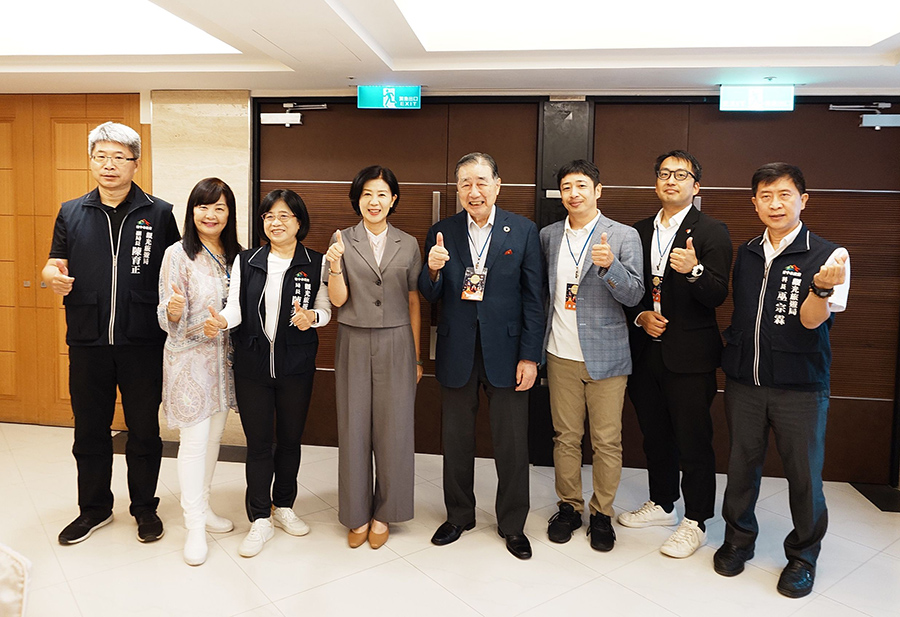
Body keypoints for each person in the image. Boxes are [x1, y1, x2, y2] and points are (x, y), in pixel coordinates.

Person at [715, 163, 850, 598]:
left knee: (804, 476)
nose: (775, 204)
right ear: (754, 203)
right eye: (766, 196)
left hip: (800, 387)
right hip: (745, 381)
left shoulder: (831, 255)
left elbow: (812, 321)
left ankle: (803, 556)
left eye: (784, 195)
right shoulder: (748, 251)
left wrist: (821, 290)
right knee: (741, 467)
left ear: (803, 200)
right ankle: (738, 540)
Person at [43, 121, 180, 546]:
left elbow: (175, 269)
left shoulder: (160, 212)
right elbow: (54, 262)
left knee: (143, 430)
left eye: (119, 157)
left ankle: (144, 508)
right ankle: (94, 508)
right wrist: (50, 277)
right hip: (88, 338)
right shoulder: (71, 212)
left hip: (142, 340)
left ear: (136, 163)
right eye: (100, 156)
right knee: (89, 429)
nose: (109, 164)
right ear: (91, 161)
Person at [419, 152, 544, 560]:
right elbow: (429, 294)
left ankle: (513, 524)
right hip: (457, 349)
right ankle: (459, 515)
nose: (474, 191)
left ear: (497, 185)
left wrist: (530, 356)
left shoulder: (522, 230)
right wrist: (432, 270)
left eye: (481, 182)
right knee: (456, 440)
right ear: (457, 190)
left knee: (512, 444)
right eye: (465, 184)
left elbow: (534, 298)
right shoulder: (442, 231)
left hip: (508, 352)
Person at [204, 189, 331, 558]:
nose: (276, 223)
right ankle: (260, 517)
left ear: (299, 222)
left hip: (296, 366)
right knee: (259, 444)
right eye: (269, 216)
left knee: (290, 441)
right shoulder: (247, 260)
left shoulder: (316, 262)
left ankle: (284, 505)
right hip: (252, 366)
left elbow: (325, 308)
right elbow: (235, 308)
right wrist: (221, 321)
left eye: (284, 216)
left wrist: (312, 318)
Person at [620, 150, 732, 558]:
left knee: (694, 439)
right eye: (665, 173)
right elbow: (629, 288)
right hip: (645, 351)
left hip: (691, 356)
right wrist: (640, 316)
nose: (671, 180)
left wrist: (694, 270)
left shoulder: (712, 231)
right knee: (655, 434)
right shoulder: (637, 231)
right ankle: (663, 503)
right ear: (656, 183)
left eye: (681, 175)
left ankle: (697, 520)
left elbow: (718, 295)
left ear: (695, 186)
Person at [539, 160, 644, 552]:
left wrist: (610, 266)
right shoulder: (549, 235)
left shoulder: (624, 235)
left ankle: (602, 513)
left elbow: (634, 295)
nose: (574, 193)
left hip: (607, 355)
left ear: (598, 191)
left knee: (606, 441)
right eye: (567, 187)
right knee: (566, 437)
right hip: (560, 352)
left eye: (581, 185)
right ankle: (569, 507)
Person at [325, 165, 423, 549]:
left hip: (397, 341)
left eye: (382, 194)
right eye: (367, 193)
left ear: (393, 199)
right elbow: (337, 300)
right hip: (352, 338)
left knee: (395, 430)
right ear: (358, 199)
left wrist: (417, 357)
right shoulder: (341, 240)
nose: (374, 201)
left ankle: (385, 512)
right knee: (353, 428)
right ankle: (357, 513)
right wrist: (335, 265)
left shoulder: (408, 244)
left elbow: (414, 300)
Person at [157, 178, 242, 565]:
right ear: (192, 211)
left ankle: (204, 508)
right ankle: (193, 526)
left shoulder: (237, 255)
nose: (211, 214)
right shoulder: (177, 254)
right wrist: (173, 311)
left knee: (213, 441)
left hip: (223, 365)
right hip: (189, 363)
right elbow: (165, 312)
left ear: (229, 214)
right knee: (193, 444)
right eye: (203, 206)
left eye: (219, 207)